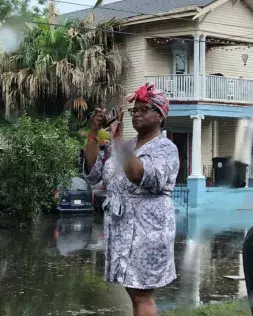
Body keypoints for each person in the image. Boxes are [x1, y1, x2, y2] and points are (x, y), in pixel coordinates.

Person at [83, 82, 180, 316]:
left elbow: (138, 174)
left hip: (149, 229)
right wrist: (95, 133)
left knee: (142, 293)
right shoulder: (126, 146)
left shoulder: (165, 148)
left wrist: (116, 140)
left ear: (160, 116)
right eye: (134, 110)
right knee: (133, 291)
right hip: (123, 228)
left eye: (144, 109)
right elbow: (93, 172)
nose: (136, 113)